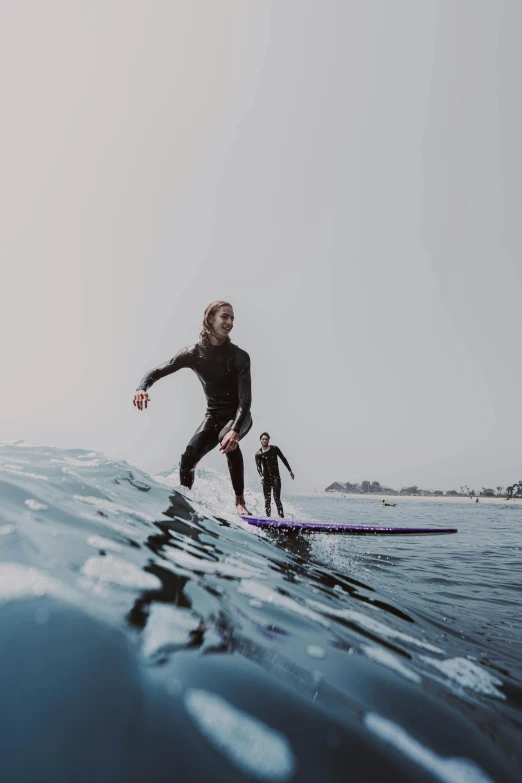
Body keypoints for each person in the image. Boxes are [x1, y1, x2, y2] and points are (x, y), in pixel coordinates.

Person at [133, 301, 252, 515]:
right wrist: (142, 388)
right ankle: (184, 500)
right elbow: (158, 371)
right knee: (188, 458)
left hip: (238, 416)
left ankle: (240, 503)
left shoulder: (239, 356)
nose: (230, 322)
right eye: (225, 317)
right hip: (213, 415)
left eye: (232, 318)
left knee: (228, 439)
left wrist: (235, 429)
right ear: (210, 319)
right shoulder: (193, 353)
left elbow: (245, 398)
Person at [255, 433, 294, 517]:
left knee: (276, 498)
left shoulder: (274, 449)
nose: (264, 440)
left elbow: (283, 458)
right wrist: (261, 476)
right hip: (266, 479)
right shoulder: (258, 454)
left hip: (276, 477)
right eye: (263, 439)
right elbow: (258, 467)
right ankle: (268, 517)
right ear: (260, 440)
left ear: (268, 440)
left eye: (266, 439)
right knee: (267, 500)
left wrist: (290, 470)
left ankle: (281, 517)